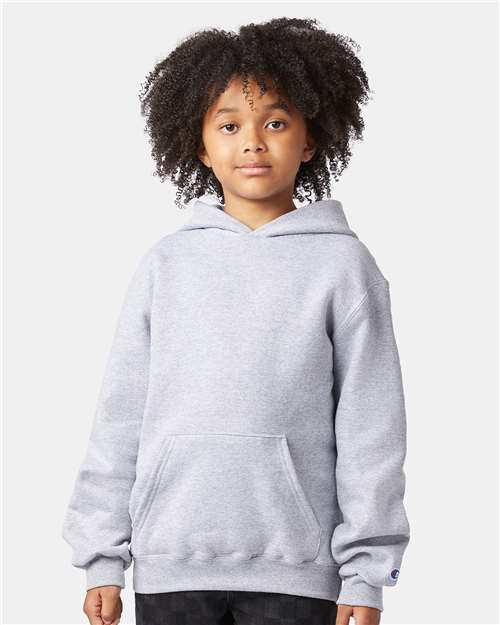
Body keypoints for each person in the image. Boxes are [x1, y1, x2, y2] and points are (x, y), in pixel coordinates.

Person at [62, 16, 411, 625]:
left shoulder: (344, 267)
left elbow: (372, 430)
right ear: (199, 145)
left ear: (310, 140)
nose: (253, 142)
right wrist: (102, 557)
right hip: (170, 566)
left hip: (299, 574)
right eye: (229, 126)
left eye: (275, 123)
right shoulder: (166, 264)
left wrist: (365, 575)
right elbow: (119, 417)